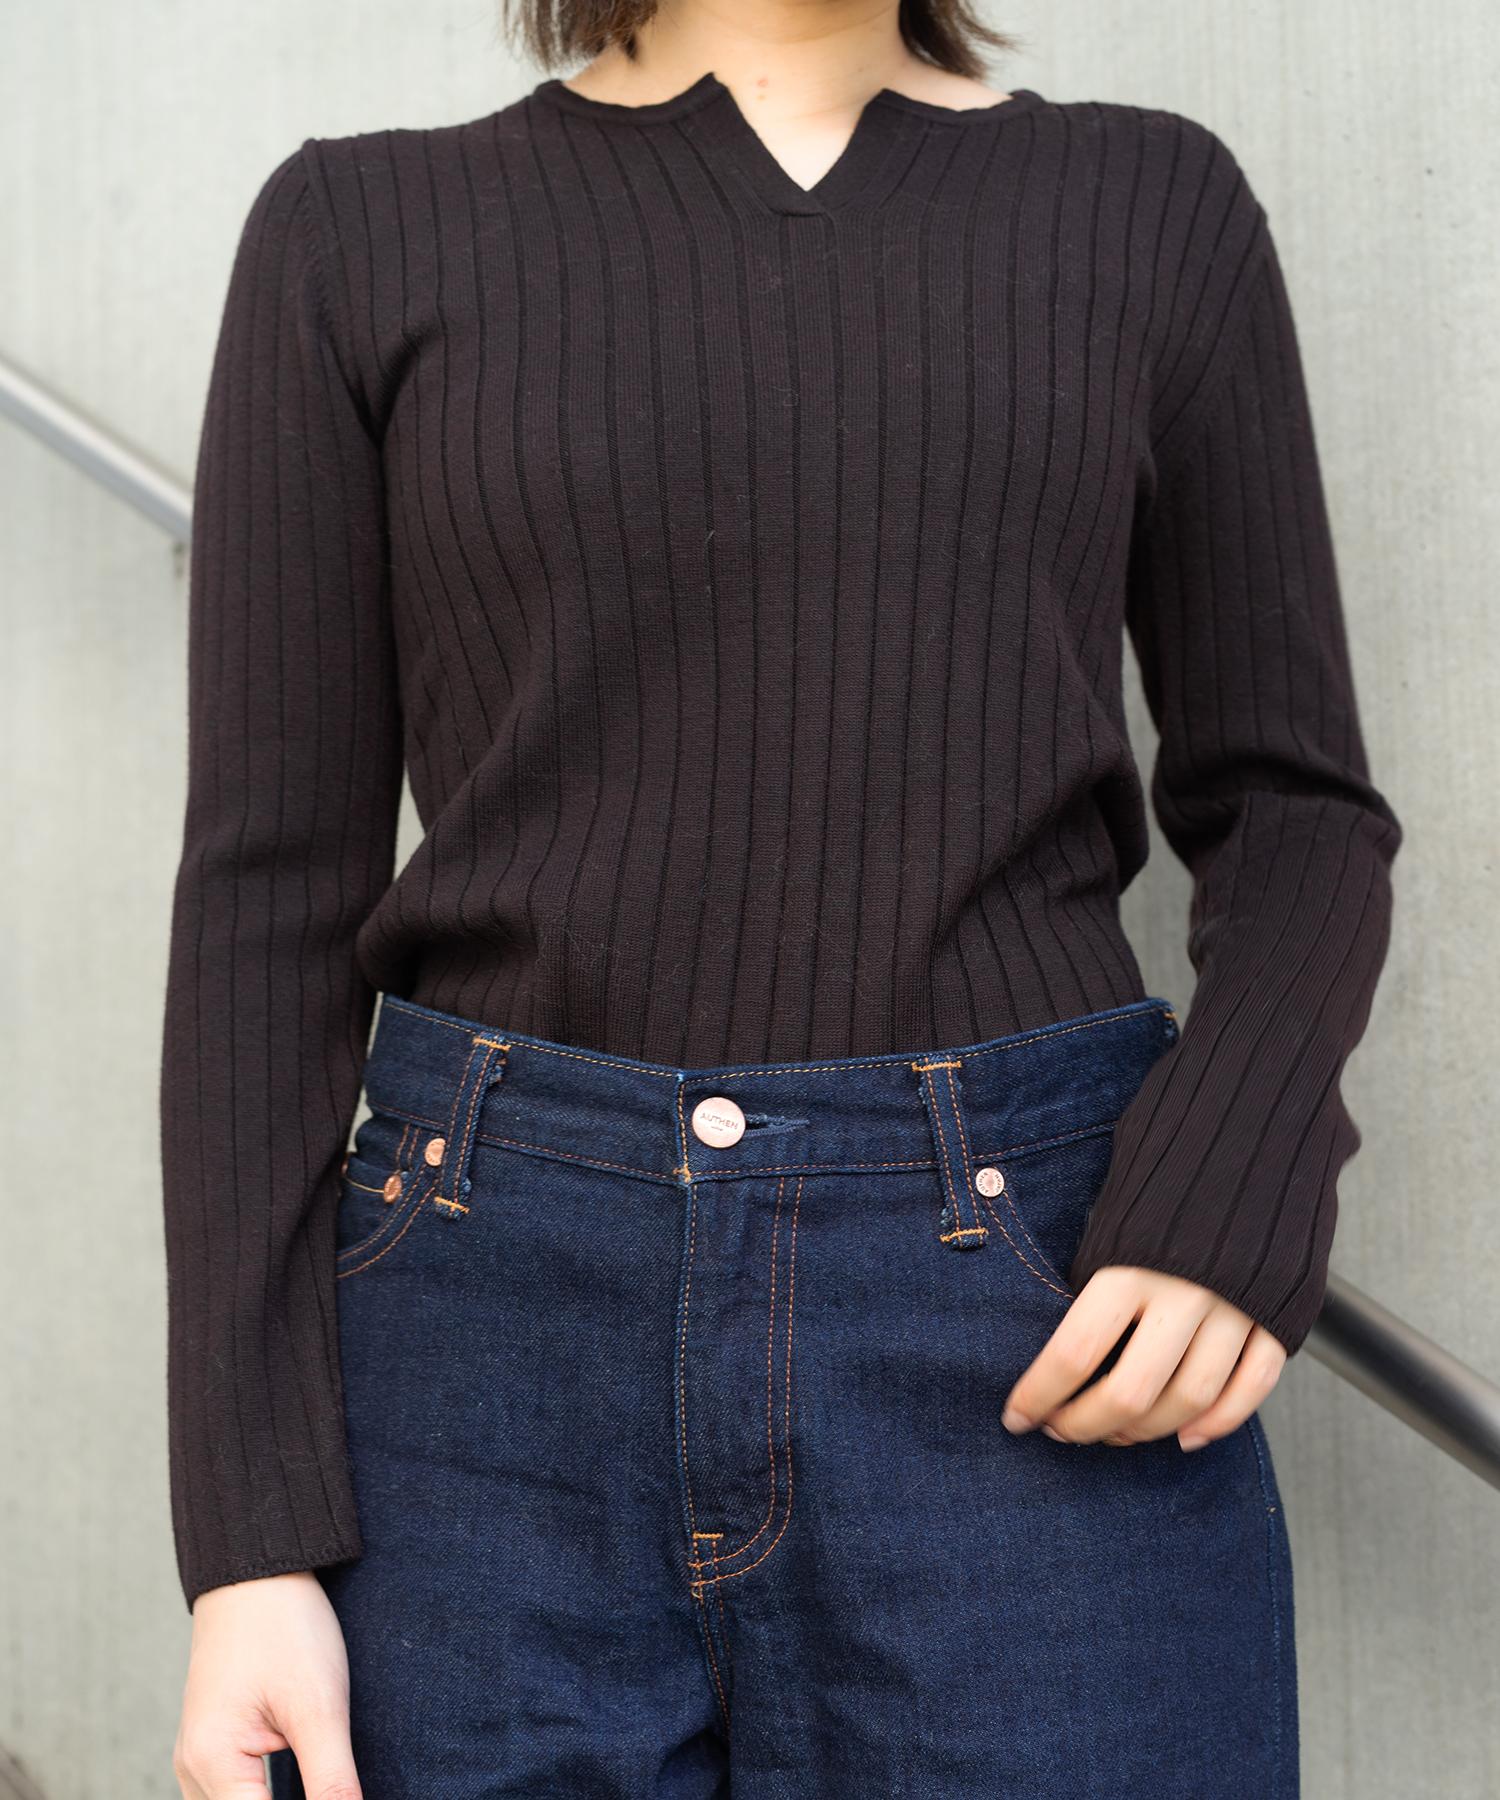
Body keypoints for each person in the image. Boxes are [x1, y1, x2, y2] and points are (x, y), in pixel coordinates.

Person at [161, 1, 1402, 1794]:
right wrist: (250, 1534)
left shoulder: (1151, 206)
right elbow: (267, 894)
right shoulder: (355, 232)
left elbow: (1296, 808)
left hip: (1030, 1320)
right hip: (482, 1357)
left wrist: (1235, 1180)